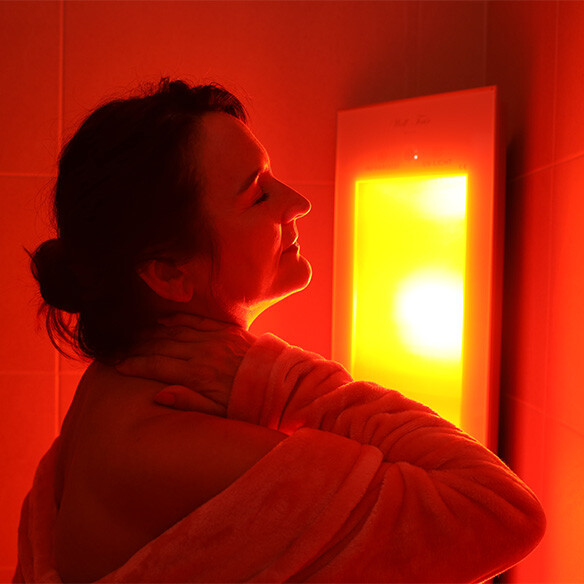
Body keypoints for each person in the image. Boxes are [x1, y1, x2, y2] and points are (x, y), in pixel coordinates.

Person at [15, 79, 545, 584]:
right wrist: (282, 378)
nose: (298, 201)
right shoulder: (171, 445)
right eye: (258, 195)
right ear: (170, 272)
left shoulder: (113, 386)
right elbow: (500, 512)